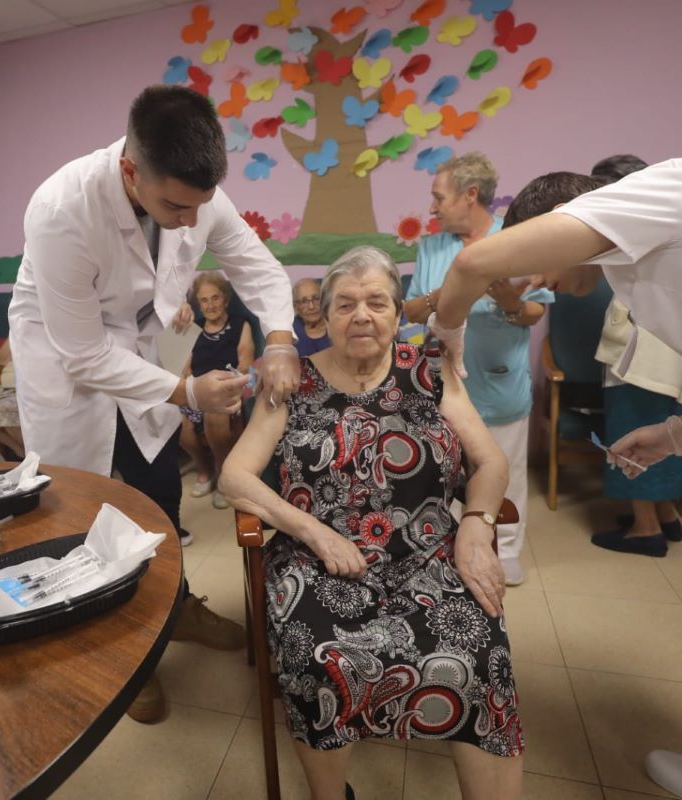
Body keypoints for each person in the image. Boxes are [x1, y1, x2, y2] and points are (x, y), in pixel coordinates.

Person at [429, 155, 682, 800]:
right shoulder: (656, 261)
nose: (534, 278)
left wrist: (446, 334)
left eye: (538, 255)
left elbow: (473, 263)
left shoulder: (661, 193)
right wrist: (673, 435)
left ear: (564, 223)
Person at [7, 85, 300, 724]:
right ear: (130, 171)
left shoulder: (193, 193)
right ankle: (123, 650)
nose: (191, 221)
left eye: (199, 207)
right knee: (85, 506)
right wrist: (187, 391)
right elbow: (83, 353)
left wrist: (279, 340)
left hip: (132, 345)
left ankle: (176, 606)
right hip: (65, 362)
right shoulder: (61, 209)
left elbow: (262, 272)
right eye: (176, 206)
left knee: (158, 487)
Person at [221, 246, 524, 800]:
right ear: (325, 316)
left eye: (377, 302)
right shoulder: (294, 381)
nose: (361, 315)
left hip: (430, 555)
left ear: (397, 312)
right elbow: (235, 476)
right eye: (345, 304)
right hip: (319, 561)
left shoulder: (431, 373)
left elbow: (491, 462)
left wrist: (477, 526)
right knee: (315, 657)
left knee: (482, 650)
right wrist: (312, 531)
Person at [401, 152, 552, 586]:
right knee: (442, 469)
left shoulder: (518, 238)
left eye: (438, 197)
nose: (432, 208)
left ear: (470, 195)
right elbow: (411, 310)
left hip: (500, 382)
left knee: (505, 467)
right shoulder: (432, 247)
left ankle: (505, 549)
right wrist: (448, 292)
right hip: (441, 384)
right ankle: (449, 546)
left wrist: (506, 301)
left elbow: (534, 313)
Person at [587, 155, 682, 556]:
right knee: (667, 435)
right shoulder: (677, 229)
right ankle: (666, 516)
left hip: (645, 359)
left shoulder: (632, 231)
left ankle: (646, 528)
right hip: (679, 355)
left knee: (634, 438)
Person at [180, 273, 254, 510]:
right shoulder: (194, 329)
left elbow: (245, 363)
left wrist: (224, 386)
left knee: (215, 414)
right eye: (204, 300)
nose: (210, 305)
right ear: (199, 304)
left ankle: (222, 472)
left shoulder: (240, 325)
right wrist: (189, 388)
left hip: (227, 387)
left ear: (225, 299)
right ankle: (205, 469)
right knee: (180, 428)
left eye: (215, 298)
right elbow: (186, 366)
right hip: (196, 389)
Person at [292, 277, 331, 356]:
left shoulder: (337, 325)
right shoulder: (290, 332)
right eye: (304, 301)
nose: (311, 306)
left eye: (316, 298)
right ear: (295, 306)